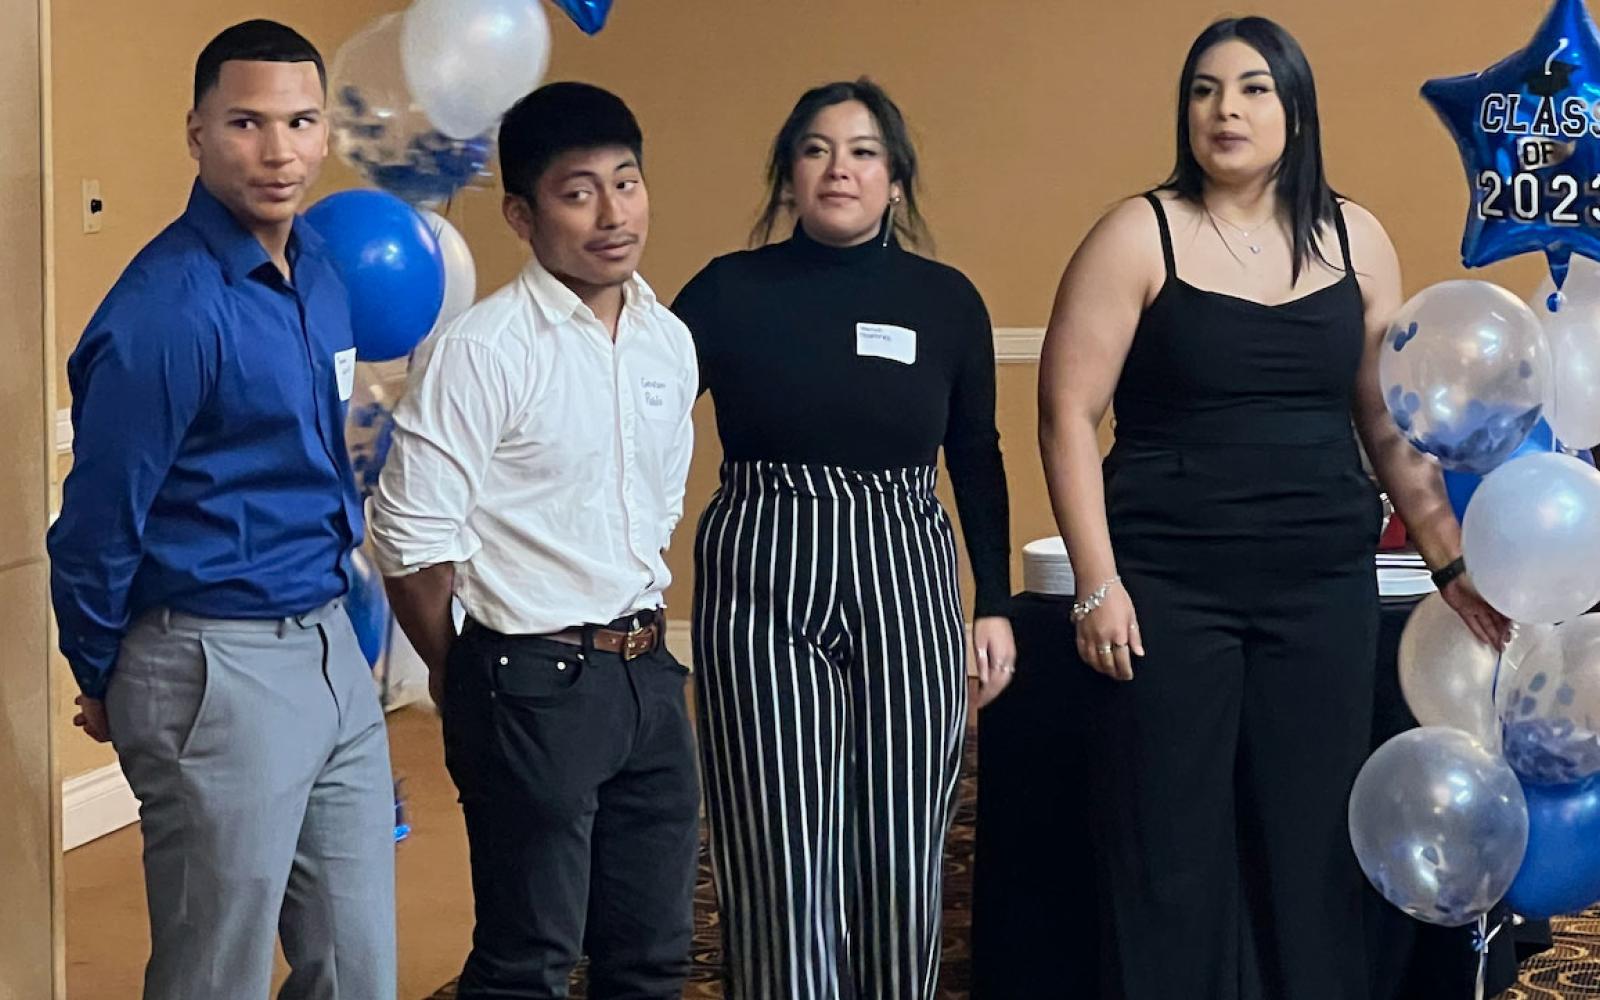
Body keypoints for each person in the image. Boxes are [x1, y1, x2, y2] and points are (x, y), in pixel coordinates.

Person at [1037, 16, 1509, 1000]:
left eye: (1252, 88)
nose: (1225, 110)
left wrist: (1451, 562)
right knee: (1169, 848)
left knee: (1313, 845)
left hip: (1316, 590)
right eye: (1205, 90)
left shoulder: (1357, 239)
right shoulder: (1139, 230)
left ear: (1294, 109)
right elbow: (1066, 416)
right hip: (1168, 591)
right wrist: (1097, 586)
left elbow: (1388, 430)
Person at [47, 19, 395, 999]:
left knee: (359, 967)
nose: (278, 151)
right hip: (214, 662)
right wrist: (111, 673)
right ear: (196, 132)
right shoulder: (164, 311)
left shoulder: (319, 272)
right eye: (246, 121)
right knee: (217, 976)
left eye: (300, 121)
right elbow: (94, 530)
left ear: (327, 132)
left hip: (331, 644)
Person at [671, 77, 1015, 1000]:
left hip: (906, 560)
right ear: (788, 172)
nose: (840, 168)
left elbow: (975, 456)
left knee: (902, 828)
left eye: (863, 151)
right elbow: (643, 421)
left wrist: (995, 604)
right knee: (774, 825)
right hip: (759, 565)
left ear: (896, 180)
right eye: (818, 148)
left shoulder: (945, 301)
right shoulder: (724, 291)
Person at [369, 82, 700, 1000]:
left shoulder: (668, 342)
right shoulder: (485, 349)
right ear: (522, 214)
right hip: (530, 682)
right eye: (577, 190)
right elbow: (407, 536)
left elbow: (658, 501)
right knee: (530, 963)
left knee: (652, 956)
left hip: (648, 674)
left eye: (626, 184)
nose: (611, 213)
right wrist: (460, 668)